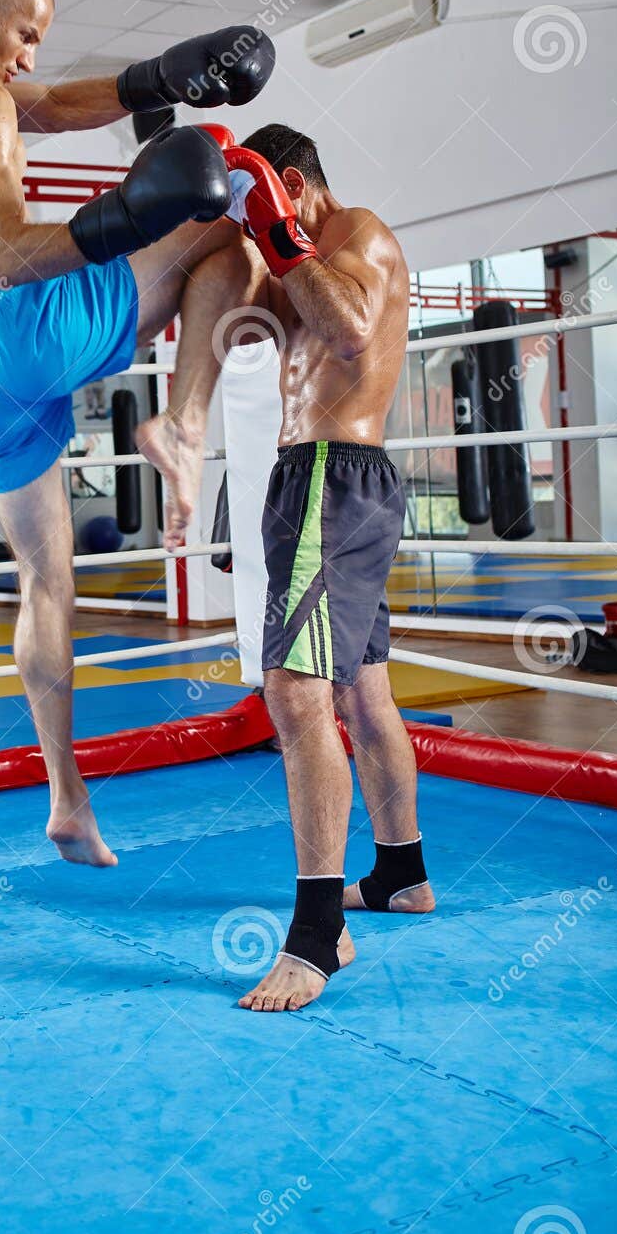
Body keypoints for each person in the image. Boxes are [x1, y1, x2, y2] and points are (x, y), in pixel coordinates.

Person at [0, 0, 274, 868]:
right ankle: (183, 421)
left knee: (48, 583)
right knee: (229, 237)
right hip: (18, 323)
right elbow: (9, 255)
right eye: (24, 35)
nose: (25, 59)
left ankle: (65, 797)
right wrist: (132, 212)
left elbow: (42, 105)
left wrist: (158, 80)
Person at [209, 124, 434, 1011]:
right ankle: (401, 874)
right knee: (361, 692)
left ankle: (316, 936)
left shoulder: (359, 234)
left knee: (293, 693)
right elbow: (239, 337)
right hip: (329, 483)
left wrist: (272, 223)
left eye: (260, 200)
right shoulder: (301, 256)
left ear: (290, 183)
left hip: (328, 483)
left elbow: (346, 333)